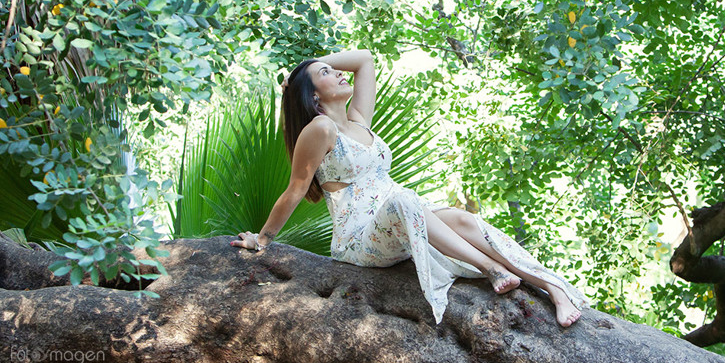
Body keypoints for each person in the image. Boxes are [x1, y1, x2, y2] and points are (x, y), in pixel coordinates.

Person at [230, 49, 584, 327]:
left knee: (463, 220)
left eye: (332, 68)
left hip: (402, 213)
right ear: (313, 97)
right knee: (403, 199)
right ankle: (492, 269)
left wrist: (306, 70)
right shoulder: (321, 129)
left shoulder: (357, 121)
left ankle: (552, 287)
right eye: (326, 74)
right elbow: (295, 188)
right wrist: (262, 241)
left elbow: (364, 59)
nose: (338, 72)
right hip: (359, 239)